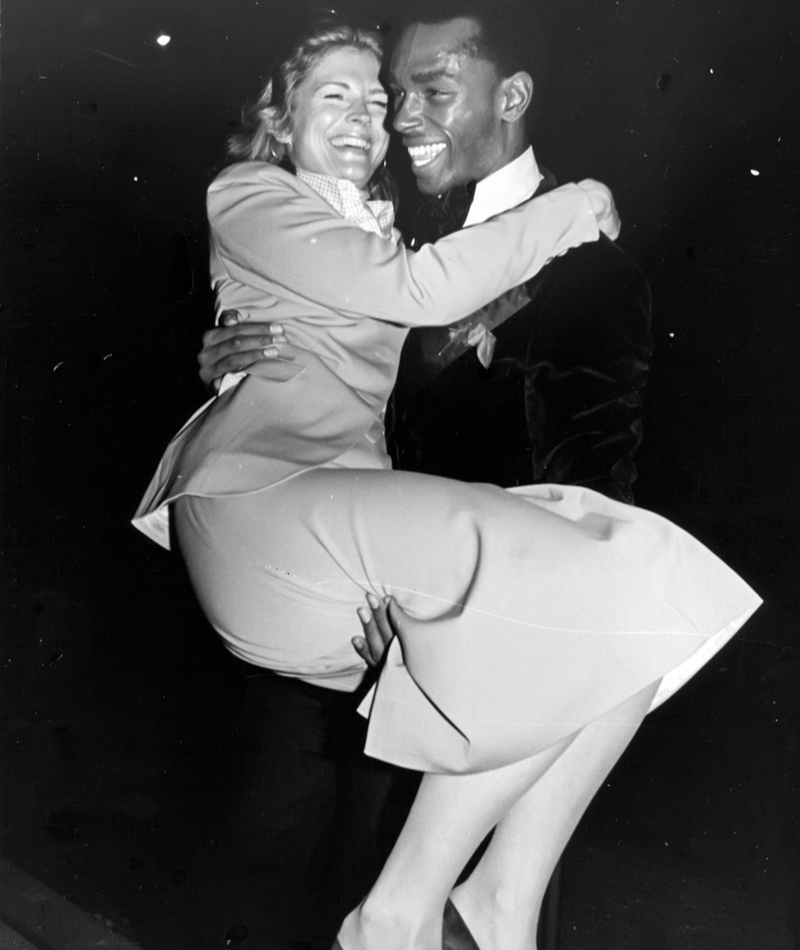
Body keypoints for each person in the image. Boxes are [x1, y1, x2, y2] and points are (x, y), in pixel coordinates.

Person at [132, 20, 760, 950]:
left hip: (421, 592)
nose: (388, 116)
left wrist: (468, 603)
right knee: (259, 874)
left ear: (510, 96)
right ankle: (398, 914)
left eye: (404, 94)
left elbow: (595, 462)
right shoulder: (367, 213)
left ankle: (492, 902)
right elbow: (395, 296)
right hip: (307, 540)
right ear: (281, 117)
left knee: (653, 584)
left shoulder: (590, 269)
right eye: (344, 95)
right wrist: (223, 351)